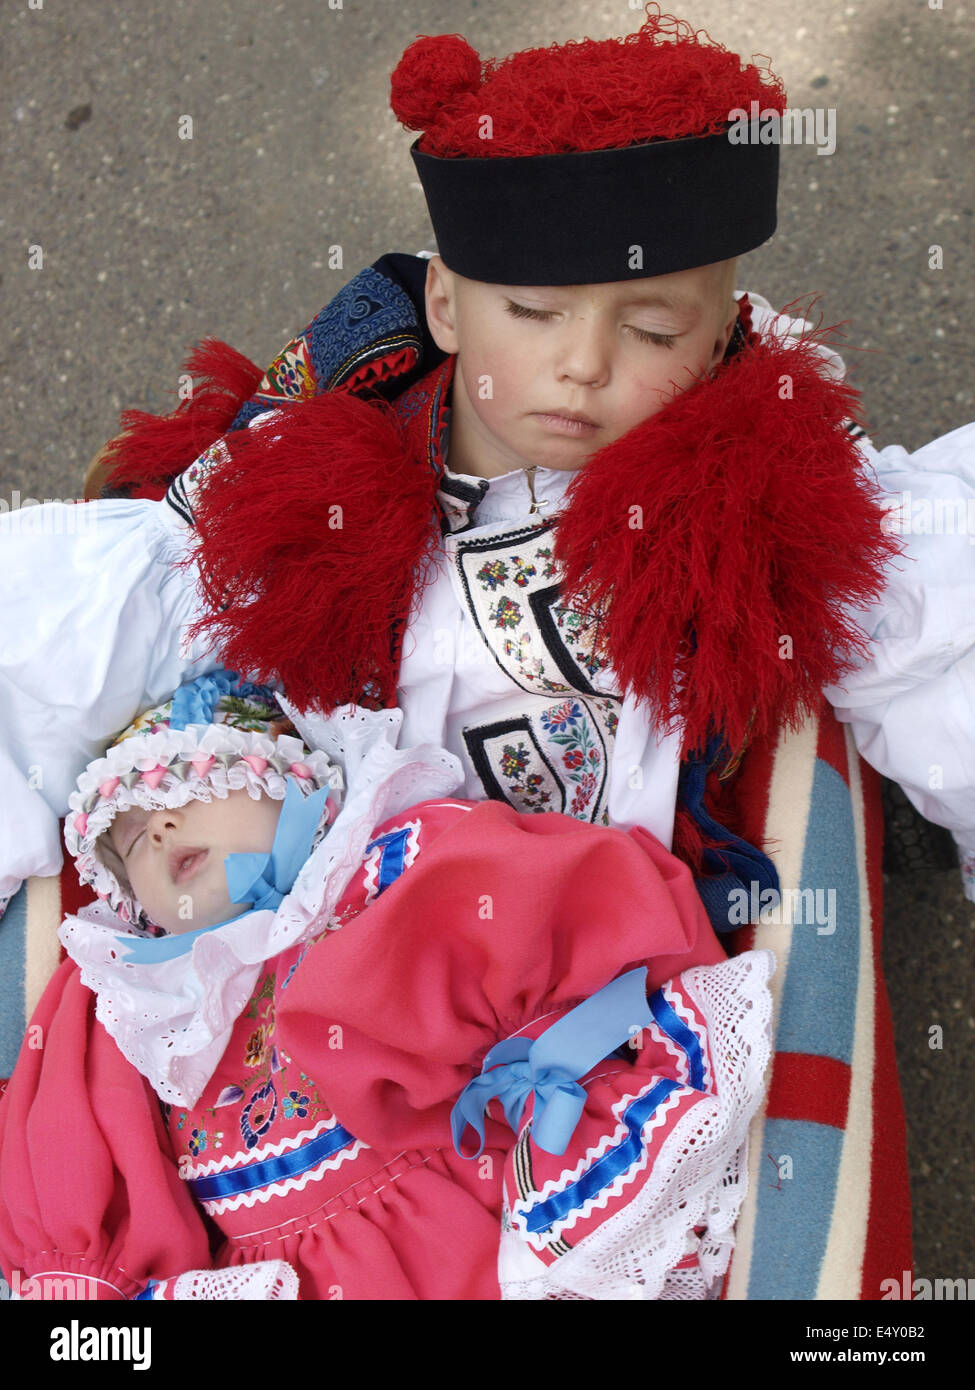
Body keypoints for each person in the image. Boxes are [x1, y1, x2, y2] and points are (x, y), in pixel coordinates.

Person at [1, 6, 972, 938]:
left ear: (720, 340)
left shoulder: (763, 495)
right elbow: (74, 632)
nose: (584, 364)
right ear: (448, 307)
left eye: (653, 330)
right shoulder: (309, 461)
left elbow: (938, 634)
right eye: (536, 314)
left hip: (600, 917)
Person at [0, 673, 774, 1300]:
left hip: (468, 1225)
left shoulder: (392, 874)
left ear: (291, 774)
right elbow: (75, 1156)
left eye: (187, 784)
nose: (160, 830)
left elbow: (579, 922)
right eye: (131, 840)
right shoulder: (142, 1009)